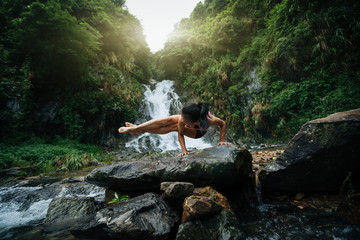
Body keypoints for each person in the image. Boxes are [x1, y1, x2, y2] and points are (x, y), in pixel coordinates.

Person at [118, 102, 232, 156]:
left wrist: (221, 141)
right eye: (182, 116)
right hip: (192, 127)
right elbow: (181, 131)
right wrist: (184, 150)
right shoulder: (184, 119)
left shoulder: (210, 120)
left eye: (184, 119)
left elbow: (222, 124)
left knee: (174, 127)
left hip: (198, 133)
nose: (181, 119)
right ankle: (138, 128)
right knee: (169, 120)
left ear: (194, 121)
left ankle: (140, 129)